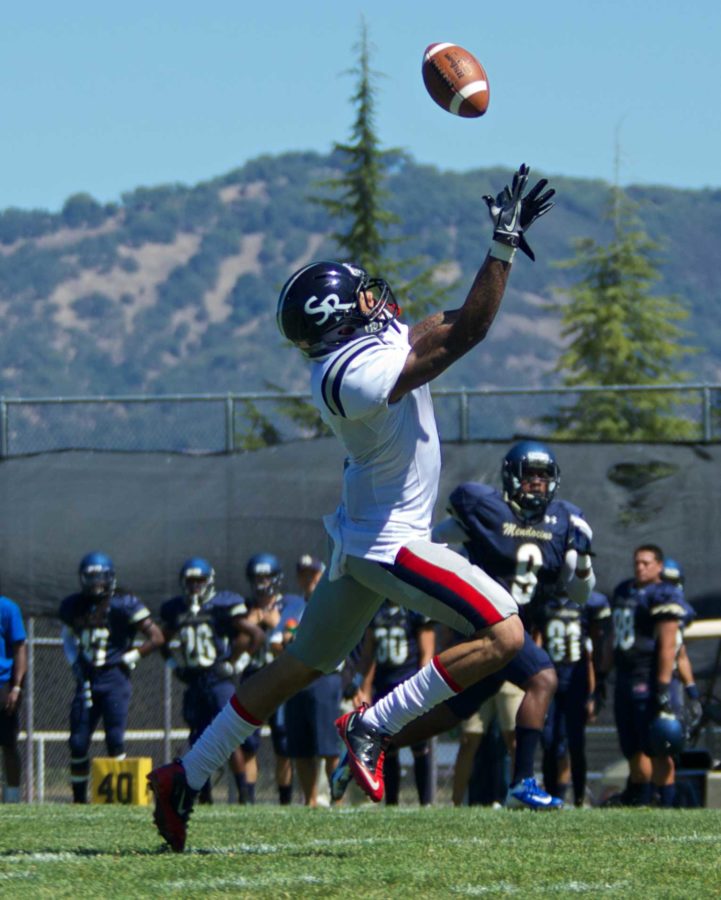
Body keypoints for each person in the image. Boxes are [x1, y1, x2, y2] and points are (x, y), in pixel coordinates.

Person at [149, 162, 555, 851]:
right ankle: (373, 725)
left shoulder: (359, 347)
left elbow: (442, 324)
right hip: (387, 542)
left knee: (299, 666)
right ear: (338, 321)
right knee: (506, 637)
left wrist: (493, 252)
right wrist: (501, 246)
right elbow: (464, 336)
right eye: (359, 299)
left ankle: (186, 775)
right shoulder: (352, 377)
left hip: (356, 537)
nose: (376, 301)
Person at [334, 441, 596, 810]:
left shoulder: (563, 520)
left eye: (544, 475)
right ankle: (522, 783)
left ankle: (368, 744)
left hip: (514, 633)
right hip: (486, 626)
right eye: (530, 474)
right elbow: (432, 540)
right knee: (543, 679)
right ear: (511, 476)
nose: (537, 483)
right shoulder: (486, 509)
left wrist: (582, 560)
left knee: (444, 716)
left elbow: (580, 592)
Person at [59, 552, 164, 803]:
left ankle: (119, 798)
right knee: (77, 741)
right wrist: (74, 662)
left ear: (110, 578)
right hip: (87, 678)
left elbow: (157, 637)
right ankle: (78, 801)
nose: (96, 583)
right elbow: (67, 636)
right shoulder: (74, 605)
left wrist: (131, 657)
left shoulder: (124, 603)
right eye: (91, 578)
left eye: (100, 577)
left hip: (114, 678)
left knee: (115, 738)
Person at [159, 557, 264, 804]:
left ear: (209, 582)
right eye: (191, 581)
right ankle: (204, 796)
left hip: (219, 679)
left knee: (228, 736)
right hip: (196, 680)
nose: (195, 586)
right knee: (198, 739)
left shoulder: (221, 606)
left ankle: (244, 796)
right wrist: (174, 664)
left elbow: (256, 635)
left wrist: (235, 666)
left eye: (200, 581)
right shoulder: (177, 609)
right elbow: (159, 638)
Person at [604, 544, 687, 807]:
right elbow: (611, 637)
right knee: (632, 746)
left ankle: (667, 803)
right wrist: (602, 674)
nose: (640, 567)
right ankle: (643, 799)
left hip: (649, 678)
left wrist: (663, 687)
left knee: (659, 745)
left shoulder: (665, 594)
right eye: (637, 562)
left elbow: (669, 645)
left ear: (659, 566)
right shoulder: (623, 590)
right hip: (625, 677)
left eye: (646, 563)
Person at [535, 586, 610, 806]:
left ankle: (577, 798)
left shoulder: (586, 603)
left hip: (575, 683)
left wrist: (593, 692)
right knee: (549, 741)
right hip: (550, 681)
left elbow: (591, 653)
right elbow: (536, 641)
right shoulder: (544, 602)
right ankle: (552, 796)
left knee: (575, 743)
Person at [239, 552, 305, 805]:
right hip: (253, 677)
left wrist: (275, 623)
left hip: (280, 678)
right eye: (257, 577)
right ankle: (248, 799)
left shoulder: (290, 603)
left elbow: (294, 639)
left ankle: (285, 800)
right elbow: (239, 646)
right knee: (248, 744)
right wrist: (251, 625)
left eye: (266, 576)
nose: (262, 582)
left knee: (283, 743)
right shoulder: (245, 608)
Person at [356, 600, 436, 806]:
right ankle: (391, 803)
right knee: (388, 747)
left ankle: (425, 802)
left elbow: (427, 652)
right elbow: (368, 655)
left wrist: (422, 686)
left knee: (419, 744)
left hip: (408, 685)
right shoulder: (376, 611)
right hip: (384, 687)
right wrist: (364, 688)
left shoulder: (413, 608)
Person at [284, 555, 343, 807]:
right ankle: (310, 801)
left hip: (323, 677)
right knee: (301, 747)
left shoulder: (332, 603)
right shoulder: (292, 607)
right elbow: (279, 640)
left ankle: (336, 799)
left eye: (312, 574)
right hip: (296, 680)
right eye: (303, 574)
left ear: (321, 575)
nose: (308, 579)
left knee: (328, 746)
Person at [0, 594, 27, 803]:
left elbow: (19, 649)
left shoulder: (8, 608)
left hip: (2, 685)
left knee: (8, 744)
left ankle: (12, 798)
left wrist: (16, 686)